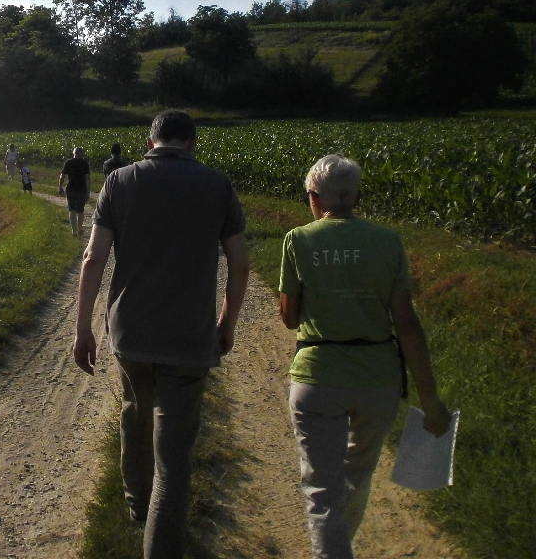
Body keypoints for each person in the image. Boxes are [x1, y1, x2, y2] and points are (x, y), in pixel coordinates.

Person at [73, 109, 249, 559]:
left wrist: (83, 329)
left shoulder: (120, 182)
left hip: (130, 333)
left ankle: (136, 506)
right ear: (192, 143)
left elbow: (94, 259)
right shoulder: (218, 185)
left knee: (135, 412)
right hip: (189, 339)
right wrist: (226, 324)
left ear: (149, 142)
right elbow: (239, 262)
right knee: (173, 459)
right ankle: (162, 542)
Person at [280, 154, 451, 559]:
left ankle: (333, 550)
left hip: (318, 376)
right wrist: (430, 400)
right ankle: (340, 545)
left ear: (313, 197)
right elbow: (406, 323)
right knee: (357, 476)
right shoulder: (388, 241)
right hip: (379, 380)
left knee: (321, 489)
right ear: (355, 195)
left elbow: (288, 318)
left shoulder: (298, 240)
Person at [58, 146, 91, 238]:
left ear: (74, 153)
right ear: (82, 154)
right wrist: (88, 191)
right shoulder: (85, 163)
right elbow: (87, 178)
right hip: (81, 189)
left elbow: (62, 176)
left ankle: (74, 231)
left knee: (72, 209)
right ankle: (80, 228)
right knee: (80, 210)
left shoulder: (68, 162)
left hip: (71, 188)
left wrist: (60, 187)